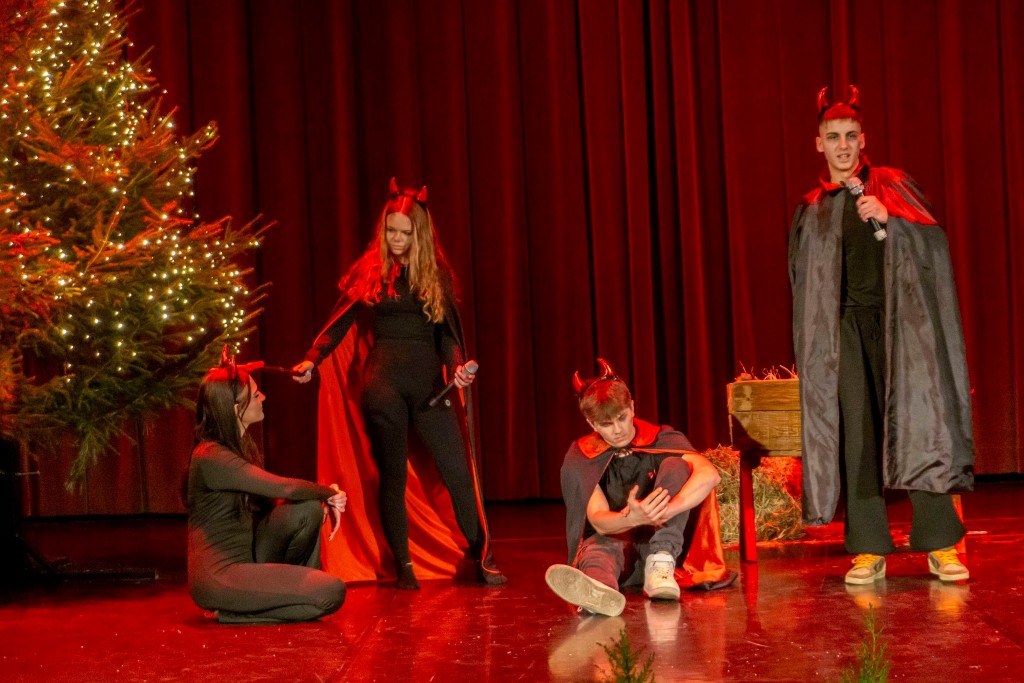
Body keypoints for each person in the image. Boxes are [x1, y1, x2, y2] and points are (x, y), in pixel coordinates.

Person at [788, 85, 974, 585]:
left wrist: (894, 221)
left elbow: (934, 243)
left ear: (863, 139)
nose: (843, 146)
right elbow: (804, 288)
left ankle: (941, 543)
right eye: (833, 137)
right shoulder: (812, 209)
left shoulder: (891, 185)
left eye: (851, 136)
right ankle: (868, 548)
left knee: (919, 423)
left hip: (900, 325)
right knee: (859, 436)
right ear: (819, 144)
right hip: (845, 332)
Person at [292, 178, 504, 589]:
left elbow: (447, 336)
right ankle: (404, 567)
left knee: (457, 472)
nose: (397, 239)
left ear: (419, 234)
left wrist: (457, 367)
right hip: (382, 385)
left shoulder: (435, 275)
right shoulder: (371, 270)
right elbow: (340, 322)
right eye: (391, 231)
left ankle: (484, 558)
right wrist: (312, 359)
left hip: (429, 389)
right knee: (393, 477)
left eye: (405, 233)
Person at [545, 359, 735, 617]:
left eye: (622, 418)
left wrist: (667, 510)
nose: (618, 430)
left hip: (659, 546)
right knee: (599, 549)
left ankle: (660, 567)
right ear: (592, 424)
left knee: (677, 465)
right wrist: (632, 518)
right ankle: (598, 590)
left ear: (632, 407)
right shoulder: (582, 455)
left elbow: (709, 474)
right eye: (606, 424)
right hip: (614, 546)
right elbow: (598, 520)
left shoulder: (662, 438)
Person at [187, 351, 348, 624]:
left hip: (249, 561)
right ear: (236, 409)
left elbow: (277, 503)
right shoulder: (210, 456)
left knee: (308, 509)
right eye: (256, 395)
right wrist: (331, 494)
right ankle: (233, 613)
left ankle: (295, 591)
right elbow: (284, 488)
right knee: (332, 593)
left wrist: (320, 502)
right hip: (221, 578)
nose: (263, 397)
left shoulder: (240, 447)